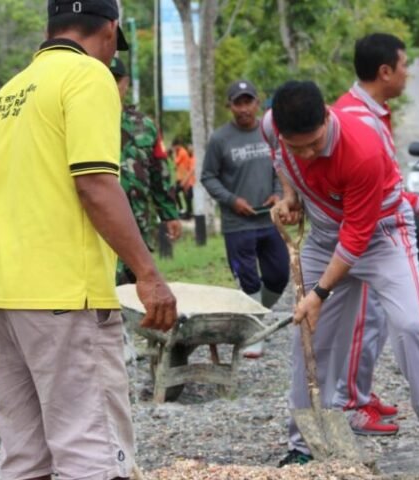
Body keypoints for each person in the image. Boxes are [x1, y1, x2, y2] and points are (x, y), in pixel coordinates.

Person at [0, 2, 177, 479]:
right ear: (110, 29)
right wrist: (148, 274)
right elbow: (95, 185)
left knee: (25, 458)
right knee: (92, 455)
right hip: (62, 295)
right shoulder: (87, 76)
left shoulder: (11, 90)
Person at [264, 81, 419, 479]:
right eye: (297, 147)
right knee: (310, 339)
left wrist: (319, 293)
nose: (307, 154)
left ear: (328, 115)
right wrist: (290, 196)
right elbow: (279, 157)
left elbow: (356, 237)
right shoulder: (271, 126)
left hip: (380, 235)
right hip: (324, 237)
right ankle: (303, 445)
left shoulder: (362, 147)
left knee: (412, 327)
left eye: (314, 144)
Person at [330, 33, 419, 436]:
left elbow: (386, 182)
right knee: (365, 322)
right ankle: (353, 404)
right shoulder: (354, 118)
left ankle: (361, 394)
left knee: (380, 322)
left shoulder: (375, 109)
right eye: (404, 66)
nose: (407, 73)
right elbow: (376, 192)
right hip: (367, 233)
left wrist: (416, 205)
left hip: (383, 226)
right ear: (385, 72)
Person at [200, 80, 289, 359]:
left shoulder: (270, 132)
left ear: (257, 102)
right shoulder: (220, 139)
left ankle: (257, 318)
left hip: (269, 219)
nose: (244, 108)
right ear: (230, 106)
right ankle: (253, 335)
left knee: (278, 275)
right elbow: (208, 176)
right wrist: (231, 200)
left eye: (248, 101)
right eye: (238, 102)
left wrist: (278, 194)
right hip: (238, 223)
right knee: (248, 280)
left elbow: (281, 164)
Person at [109, 57, 182, 285]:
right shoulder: (79, 121)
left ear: (126, 83)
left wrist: (169, 213)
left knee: (136, 293)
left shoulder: (145, 126)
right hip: (98, 229)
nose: (110, 85)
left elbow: (159, 173)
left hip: (138, 226)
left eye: (116, 80)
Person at [173, 137, 195, 219]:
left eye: (190, 146)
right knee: (187, 196)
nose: (189, 148)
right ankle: (188, 212)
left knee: (186, 196)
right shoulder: (189, 156)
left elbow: (191, 170)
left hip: (186, 180)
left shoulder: (183, 153)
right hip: (184, 178)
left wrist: (185, 181)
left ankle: (186, 212)